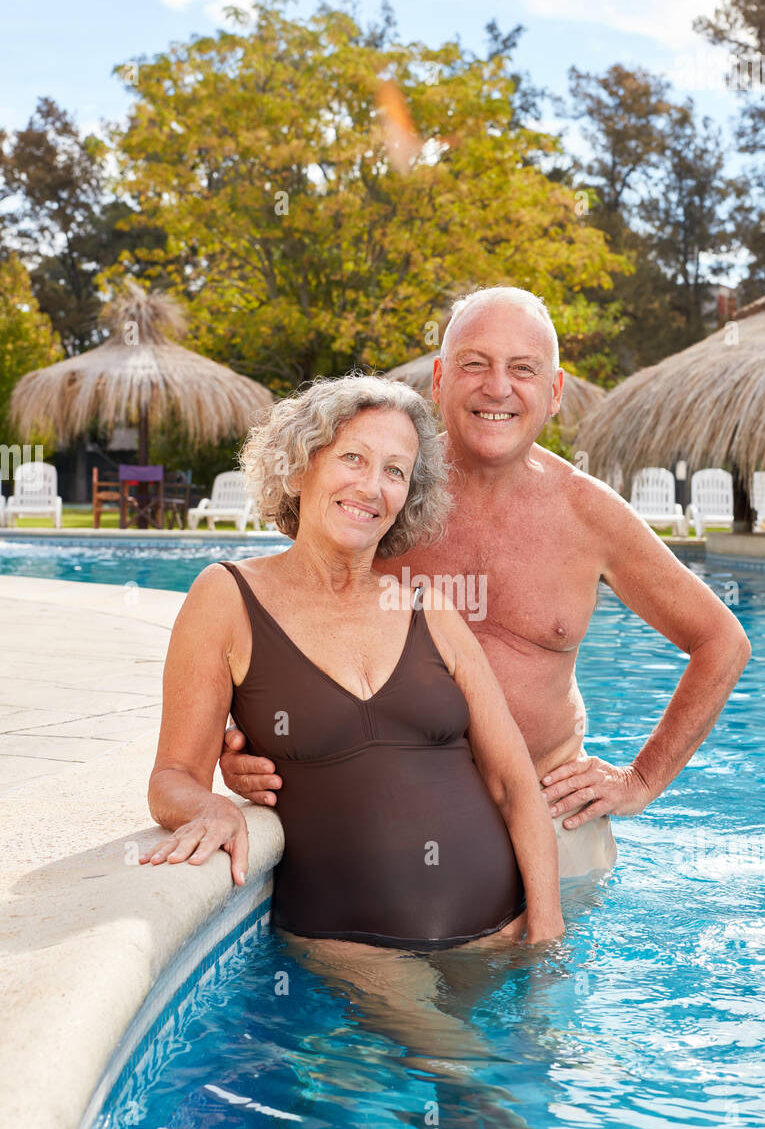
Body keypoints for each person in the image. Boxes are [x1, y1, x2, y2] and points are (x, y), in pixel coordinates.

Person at [221, 287, 752, 877]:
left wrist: (642, 779)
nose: (497, 387)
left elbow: (722, 642)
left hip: (552, 820)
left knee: (545, 966)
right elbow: (284, 619)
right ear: (440, 379)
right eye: (475, 364)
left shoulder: (589, 513)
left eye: (522, 370)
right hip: (391, 819)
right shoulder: (386, 493)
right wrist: (244, 742)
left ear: (553, 393)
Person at [141, 374, 563, 953]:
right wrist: (210, 805)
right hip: (361, 953)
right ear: (297, 469)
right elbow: (171, 778)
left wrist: (547, 938)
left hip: (505, 933)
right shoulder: (227, 597)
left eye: (395, 471)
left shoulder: (427, 608)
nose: (372, 486)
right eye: (353, 458)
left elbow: (514, 783)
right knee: (446, 1049)